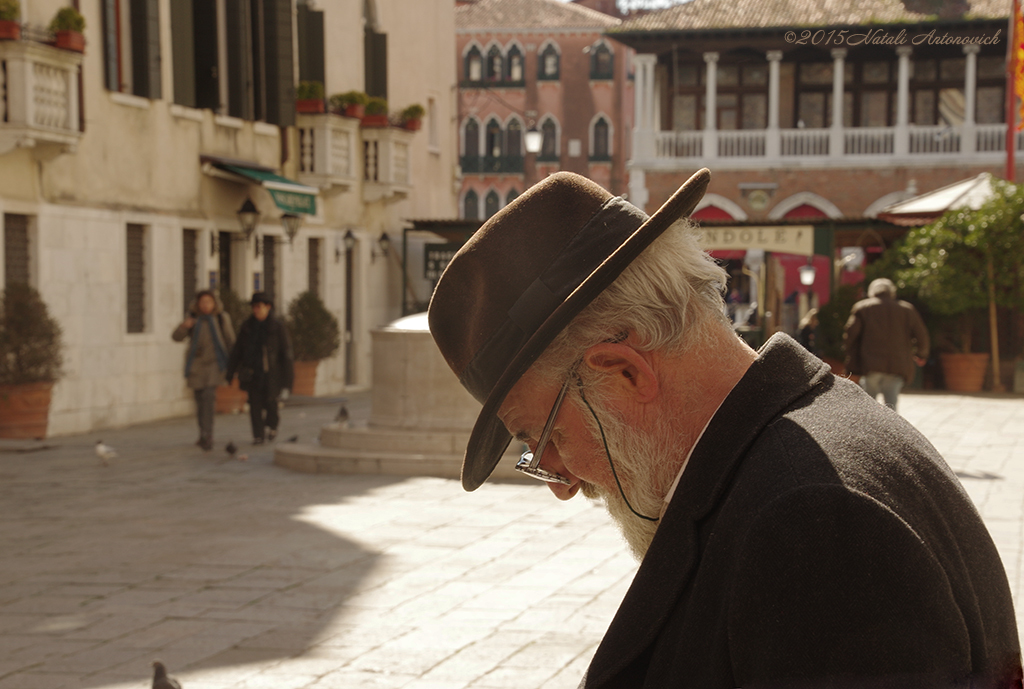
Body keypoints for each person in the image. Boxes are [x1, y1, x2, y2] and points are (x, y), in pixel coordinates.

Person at [427, 170, 1020, 689]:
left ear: (624, 371)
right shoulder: (799, 449)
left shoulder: (809, 527)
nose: (556, 479)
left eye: (541, 435)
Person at [844, 277, 929, 412]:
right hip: (897, 364)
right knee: (892, 405)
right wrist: (921, 354)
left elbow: (851, 335)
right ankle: (891, 431)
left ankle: (868, 431)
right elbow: (921, 335)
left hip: (870, 363)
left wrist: (849, 355)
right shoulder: (907, 309)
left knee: (869, 404)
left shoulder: (863, 308)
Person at [227, 292, 294, 444]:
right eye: (254, 307)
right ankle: (258, 435)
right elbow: (237, 350)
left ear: (268, 307)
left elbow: (286, 354)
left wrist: (287, 382)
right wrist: (231, 372)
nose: (256, 310)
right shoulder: (247, 326)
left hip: (272, 374)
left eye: (259, 307)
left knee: (271, 403)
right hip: (252, 373)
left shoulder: (277, 327)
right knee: (255, 405)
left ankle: (272, 426)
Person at [172, 290, 234, 451]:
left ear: (214, 303)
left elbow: (230, 340)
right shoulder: (192, 318)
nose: (206, 305)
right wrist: (184, 326)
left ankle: (208, 434)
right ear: (198, 304)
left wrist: (233, 363)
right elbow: (176, 337)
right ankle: (203, 432)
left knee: (208, 397)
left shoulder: (221, 318)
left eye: (209, 302)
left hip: (215, 364)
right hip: (196, 365)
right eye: (203, 302)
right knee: (199, 401)